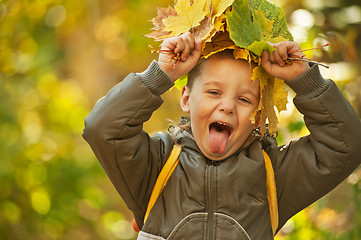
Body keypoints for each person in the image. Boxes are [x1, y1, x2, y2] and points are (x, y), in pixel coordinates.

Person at [82, 32, 361, 239]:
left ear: (259, 116)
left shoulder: (274, 177)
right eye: (214, 92)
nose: (227, 105)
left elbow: (346, 146)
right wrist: (161, 75)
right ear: (187, 99)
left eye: (243, 99)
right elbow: (103, 128)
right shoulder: (156, 165)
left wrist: (305, 80)